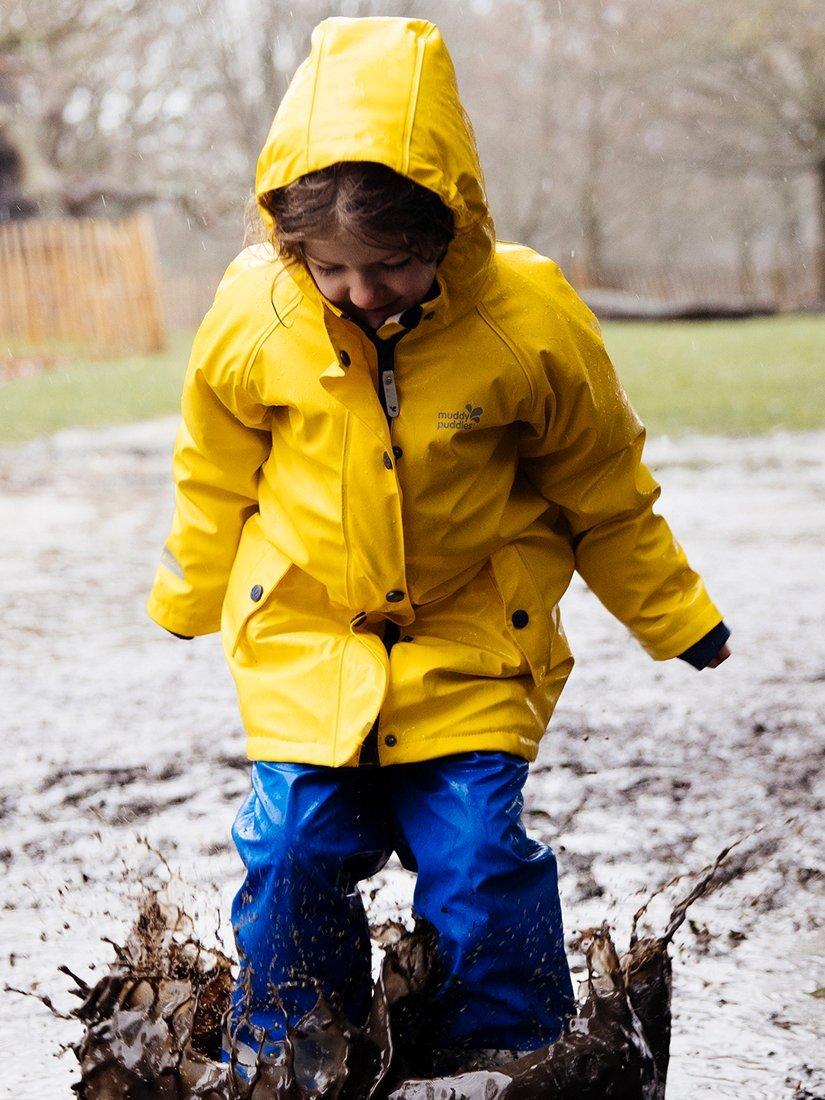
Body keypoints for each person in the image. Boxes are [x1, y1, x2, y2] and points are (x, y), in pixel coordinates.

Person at [147, 15, 730, 1075]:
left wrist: (677, 615)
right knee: (291, 849)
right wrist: (189, 594)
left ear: (449, 228)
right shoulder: (254, 311)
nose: (363, 293)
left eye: (393, 266)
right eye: (331, 269)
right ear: (289, 244)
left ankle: (506, 1055)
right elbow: (213, 470)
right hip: (308, 641)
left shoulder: (526, 319)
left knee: (476, 857)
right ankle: (290, 1057)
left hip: (471, 642)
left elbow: (603, 490)